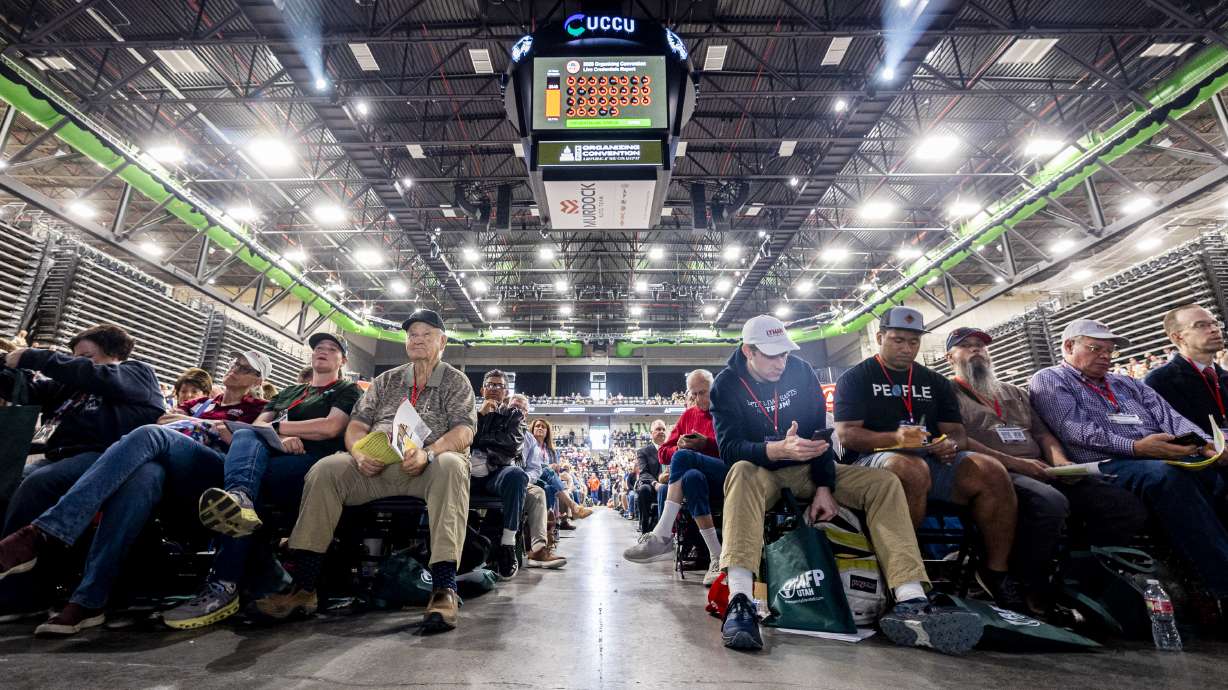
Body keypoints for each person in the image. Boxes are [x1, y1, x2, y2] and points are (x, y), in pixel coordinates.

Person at [712, 314, 981, 654]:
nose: (781, 362)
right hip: (761, 471)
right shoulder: (726, 385)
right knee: (739, 473)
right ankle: (740, 600)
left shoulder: (800, 372)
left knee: (882, 483)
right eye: (771, 355)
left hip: (809, 469)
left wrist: (824, 486)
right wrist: (776, 449)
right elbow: (729, 449)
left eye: (784, 353)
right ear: (749, 351)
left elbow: (822, 437)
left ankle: (910, 598)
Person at [0, 350, 272, 635]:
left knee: (148, 435)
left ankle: (42, 533)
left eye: (245, 367)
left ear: (257, 380)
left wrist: (206, 426)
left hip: (214, 472)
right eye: (234, 362)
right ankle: (89, 599)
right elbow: (163, 419)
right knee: (142, 477)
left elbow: (259, 439)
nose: (235, 368)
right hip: (170, 469)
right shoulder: (198, 403)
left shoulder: (260, 407)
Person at [253, 310, 473, 633]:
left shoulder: (456, 381)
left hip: (428, 464)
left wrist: (429, 452)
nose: (417, 339)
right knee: (326, 469)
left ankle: (443, 588)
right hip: (379, 462)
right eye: (412, 334)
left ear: (443, 342)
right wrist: (357, 451)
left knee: (453, 465)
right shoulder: (387, 381)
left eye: (426, 334)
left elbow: (464, 431)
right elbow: (356, 425)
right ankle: (303, 587)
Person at [945, 327, 1147, 618]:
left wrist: (1061, 463)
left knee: (1120, 504)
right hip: (996, 472)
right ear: (950, 356)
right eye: (967, 346)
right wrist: (1019, 464)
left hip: (1042, 468)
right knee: (1048, 503)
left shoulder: (1014, 393)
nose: (976, 350)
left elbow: (1043, 435)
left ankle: (1079, 579)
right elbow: (959, 439)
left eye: (981, 346)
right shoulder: (947, 394)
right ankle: (1029, 583)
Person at [161, 335, 360, 629]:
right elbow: (255, 427)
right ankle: (236, 521)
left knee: (243, 454)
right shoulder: (291, 392)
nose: (323, 352)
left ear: (342, 361)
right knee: (244, 477)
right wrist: (280, 438)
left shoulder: (345, 389)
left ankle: (226, 582)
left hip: (314, 463)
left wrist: (278, 428)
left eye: (332, 350)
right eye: (319, 348)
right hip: (274, 458)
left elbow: (329, 427)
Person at [1030, 318, 1228, 603]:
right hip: (1108, 464)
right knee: (1167, 477)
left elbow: (1170, 417)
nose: (1105, 357)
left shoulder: (1126, 382)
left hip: (1156, 455)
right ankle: (1221, 583)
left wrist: (1209, 445)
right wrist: (1136, 447)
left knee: (1216, 475)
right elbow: (1075, 430)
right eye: (1096, 348)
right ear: (1069, 346)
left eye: (1110, 351)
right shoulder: (1050, 379)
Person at [833, 307, 1021, 607]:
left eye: (913, 341)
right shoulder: (855, 378)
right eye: (898, 340)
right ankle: (904, 572)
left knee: (990, 469)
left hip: (933, 458)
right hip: (874, 460)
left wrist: (948, 444)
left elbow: (956, 433)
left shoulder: (934, 381)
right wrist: (898, 439)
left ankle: (995, 572)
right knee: (910, 467)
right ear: (880, 337)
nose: (907, 348)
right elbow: (848, 435)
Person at [0, 324, 164, 622]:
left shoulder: (137, 373)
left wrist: (34, 356)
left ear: (112, 353)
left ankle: (22, 595)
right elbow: (27, 391)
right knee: (8, 481)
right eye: (74, 357)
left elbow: (97, 376)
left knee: (37, 484)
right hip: (58, 456)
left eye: (86, 356)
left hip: (105, 457)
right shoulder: (69, 386)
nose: (78, 363)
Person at [624, 369, 727, 586]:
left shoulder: (726, 411)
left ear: (715, 389)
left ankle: (662, 534)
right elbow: (663, 452)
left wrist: (705, 444)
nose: (700, 399)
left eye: (704, 392)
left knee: (685, 459)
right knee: (691, 477)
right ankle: (716, 557)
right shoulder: (689, 415)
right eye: (695, 394)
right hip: (697, 480)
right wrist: (679, 446)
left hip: (724, 474)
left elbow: (733, 449)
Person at [474, 372, 565, 574]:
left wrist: (480, 439)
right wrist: (481, 417)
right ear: (482, 389)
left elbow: (509, 449)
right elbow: (462, 439)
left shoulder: (516, 422)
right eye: (490, 385)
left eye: (499, 386)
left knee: (526, 481)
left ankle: (527, 547)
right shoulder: (470, 412)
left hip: (504, 475)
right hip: (469, 473)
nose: (494, 389)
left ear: (505, 392)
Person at [1145, 304, 1228, 436]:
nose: (1214, 329)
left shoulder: (1223, 376)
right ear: (1178, 337)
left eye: (1214, 323)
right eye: (1201, 325)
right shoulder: (1159, 382)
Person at [629, 420, 667, 534]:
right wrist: (655, 484)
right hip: (653, 486)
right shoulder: (643, 451)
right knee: (643, 489)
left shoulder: (671, 449)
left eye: (663, 429)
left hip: (671, 484)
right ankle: (645, 529)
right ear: (651, 433)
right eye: (658, 429)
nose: (661, 431)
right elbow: (644, 473)